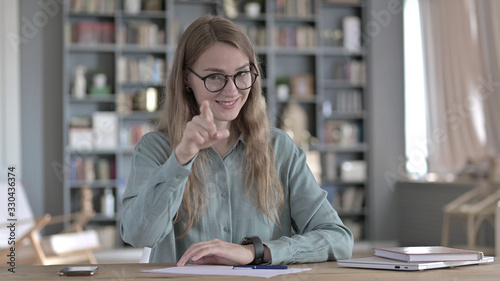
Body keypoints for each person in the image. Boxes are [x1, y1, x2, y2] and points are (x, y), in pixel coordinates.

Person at [120, 15, 353, 266]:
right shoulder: (154, 149)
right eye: (215, 77)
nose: (232, 90)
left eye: (242, 74)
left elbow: (338, 239)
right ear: (187, 79)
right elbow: (138, 235)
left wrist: (257, 252)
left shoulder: (280, 148)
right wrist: (181, 159)